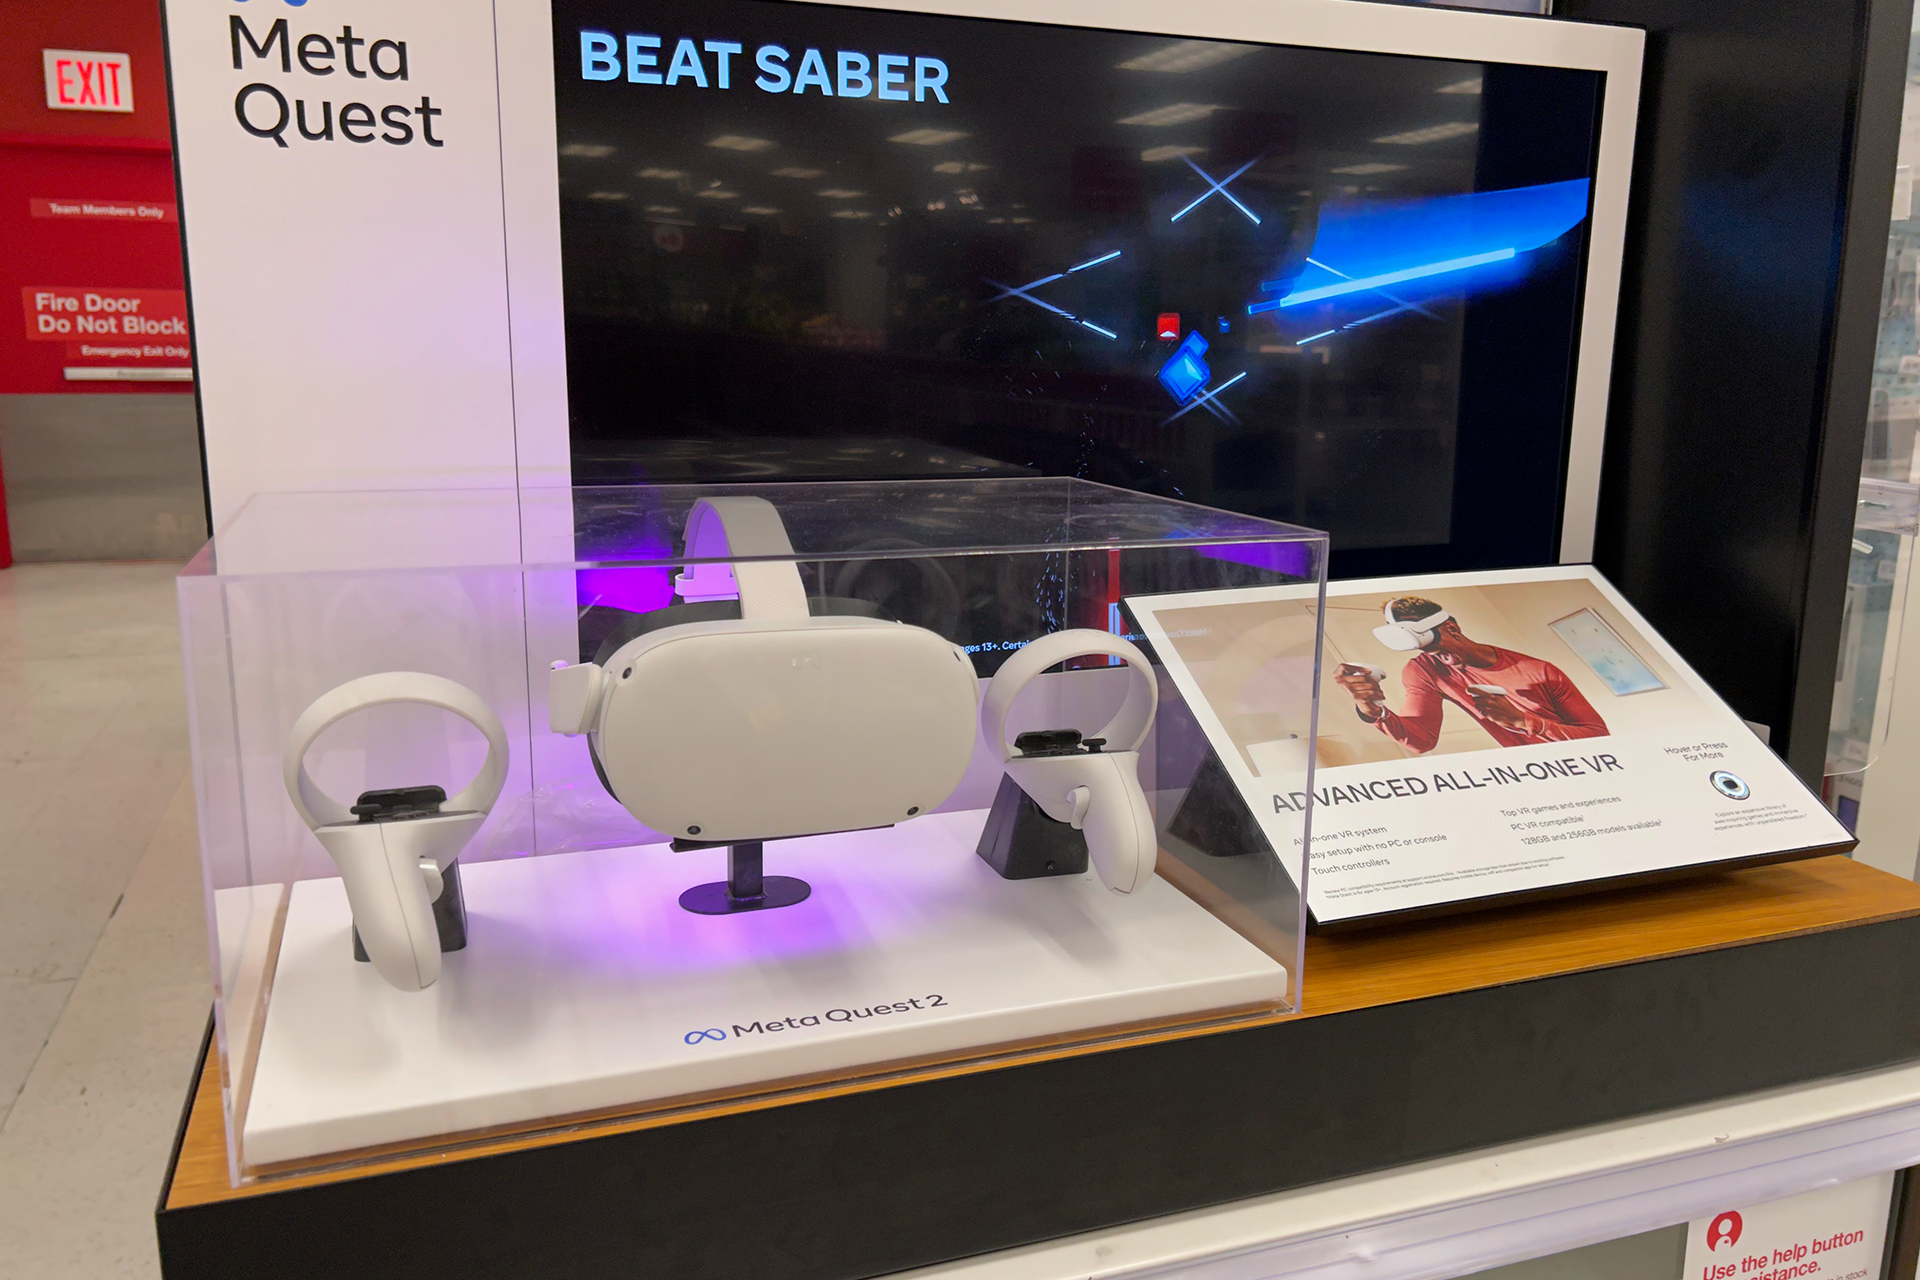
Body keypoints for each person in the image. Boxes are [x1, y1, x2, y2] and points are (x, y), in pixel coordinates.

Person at [1334, 596, 1608, 754]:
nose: (1435, 657)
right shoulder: (1425, 669)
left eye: (1435, 647)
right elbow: (1422, 740)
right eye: (1426, 651)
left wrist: (1521, 720)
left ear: (1452, 629)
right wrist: (1371, 709)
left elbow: (1600, 739)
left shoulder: (1539, 671)